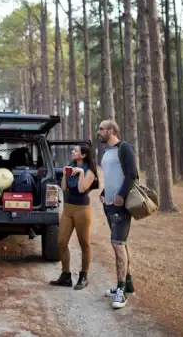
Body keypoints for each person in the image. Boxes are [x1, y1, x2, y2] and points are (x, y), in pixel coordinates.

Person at [97, 119, 138, 310]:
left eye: (101, 129)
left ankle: (121, 292)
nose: (99, 132)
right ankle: (127, 284)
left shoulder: (125, 148)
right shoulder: (107, 152)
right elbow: (113, 175)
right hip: (109, 204)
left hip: (120, 205)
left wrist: (121, 196)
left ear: (111, 130)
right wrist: (105, 192)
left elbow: (132, 174)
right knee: (122, 243)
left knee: (117, 245)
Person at [50, 145, 97, 290]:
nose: (72, 152)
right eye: (73, 150)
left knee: (84, 243)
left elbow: (82, 189)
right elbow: (64, 188)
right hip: (68, 209)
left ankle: (84, 276)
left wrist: (81, 173)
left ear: (83, 155)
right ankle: (66, 275)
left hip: (82, 210)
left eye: (76, 151)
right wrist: (65, 173)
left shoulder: (89, 172)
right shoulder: (70, 168)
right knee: (61, 242)